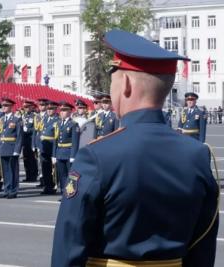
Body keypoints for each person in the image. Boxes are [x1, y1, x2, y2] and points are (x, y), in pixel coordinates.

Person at [52, 29, 219, 267]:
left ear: (126, 84)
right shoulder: (197, 155)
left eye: (113, 82)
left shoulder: (97, 155)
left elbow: (69, 244)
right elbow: (203, 244)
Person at [52, 101, 80, 195]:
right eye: (61, 110)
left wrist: (73, 155)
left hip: (68, 153)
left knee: (71, 175)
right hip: (60, 153)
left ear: (70, 111)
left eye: (64, 110)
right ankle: (64, 193)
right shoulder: (58, 124)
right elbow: (55, 140)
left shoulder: (73, 124)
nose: (62, 112)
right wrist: (54, 155)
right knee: (62, 175)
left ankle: (71, 193)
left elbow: (75, 141)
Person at [0, 98, 23, 199]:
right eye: (3, 106)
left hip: (12, 148)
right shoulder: (2, 119)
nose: (4, 107)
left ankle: (13, 190)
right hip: (3, 147)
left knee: (13, 171)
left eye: (6, 106)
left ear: (11, 107)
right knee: (5, 171)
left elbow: (19, 136)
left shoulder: (17, 119)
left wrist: (17, 150)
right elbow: (0, 135)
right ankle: (7, 189)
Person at [38, 101, 59, 195]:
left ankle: (54, 185)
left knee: (53, 168)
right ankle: (47, 186)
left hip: (52, 146)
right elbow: (40, 132)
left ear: (55, 109)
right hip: (44, 146)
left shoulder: (57, 119)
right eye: (48, 109)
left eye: (51, 109)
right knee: (45, 168)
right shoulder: (44, 119)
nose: (49, 111)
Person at [32, 98, 49, 187]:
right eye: (40, 105)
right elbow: (35, 131)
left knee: (46, 163)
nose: (41, 106)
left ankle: (47, 181)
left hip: (46, 141)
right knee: (39, 162)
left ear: (46, 106)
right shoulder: (37, 116)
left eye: (43, 105)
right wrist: (33, 144)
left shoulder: (48, 115)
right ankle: (42, 180)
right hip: (38, 141)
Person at [21, 100, 38, 182]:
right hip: (25, 140)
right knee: (26, 158)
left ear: (32, 107)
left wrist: (28, 129)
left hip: (31, 139)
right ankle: (28, 175)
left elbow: (36, 128)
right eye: (25, 107)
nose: (26, 108)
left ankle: (33, 175)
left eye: (28, 107)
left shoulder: (34, 116)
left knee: (32, 159)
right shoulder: (23, 116)